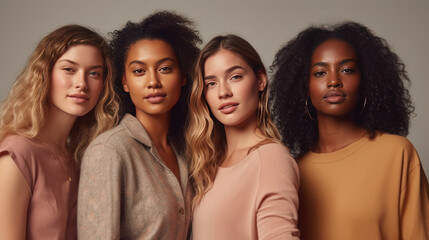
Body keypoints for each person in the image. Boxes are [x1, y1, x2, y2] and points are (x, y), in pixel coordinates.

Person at [270, 22, 429, 240]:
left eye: (347, 70)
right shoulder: (291, 172)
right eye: (319, 72)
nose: (334, 81)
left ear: (366, 81)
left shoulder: (397, 154)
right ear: (303, 86)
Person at [77, 11, 201, 239]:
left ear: (183, 76)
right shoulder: (109, 150)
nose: (153, 82)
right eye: (139, 71)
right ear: (125, 82)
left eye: (165, 68)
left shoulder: (187, 151)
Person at [0, 24, 118, 240]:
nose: (81, 83)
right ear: (45, 74)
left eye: (94, 73)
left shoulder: (77, 158)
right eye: (69, 69)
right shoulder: (17, 154)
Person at [187, 34, 300, 240]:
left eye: (235, 77)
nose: (223, 92)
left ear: (260, 80)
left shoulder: (271, 158)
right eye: (211, 83)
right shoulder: (209, 163)